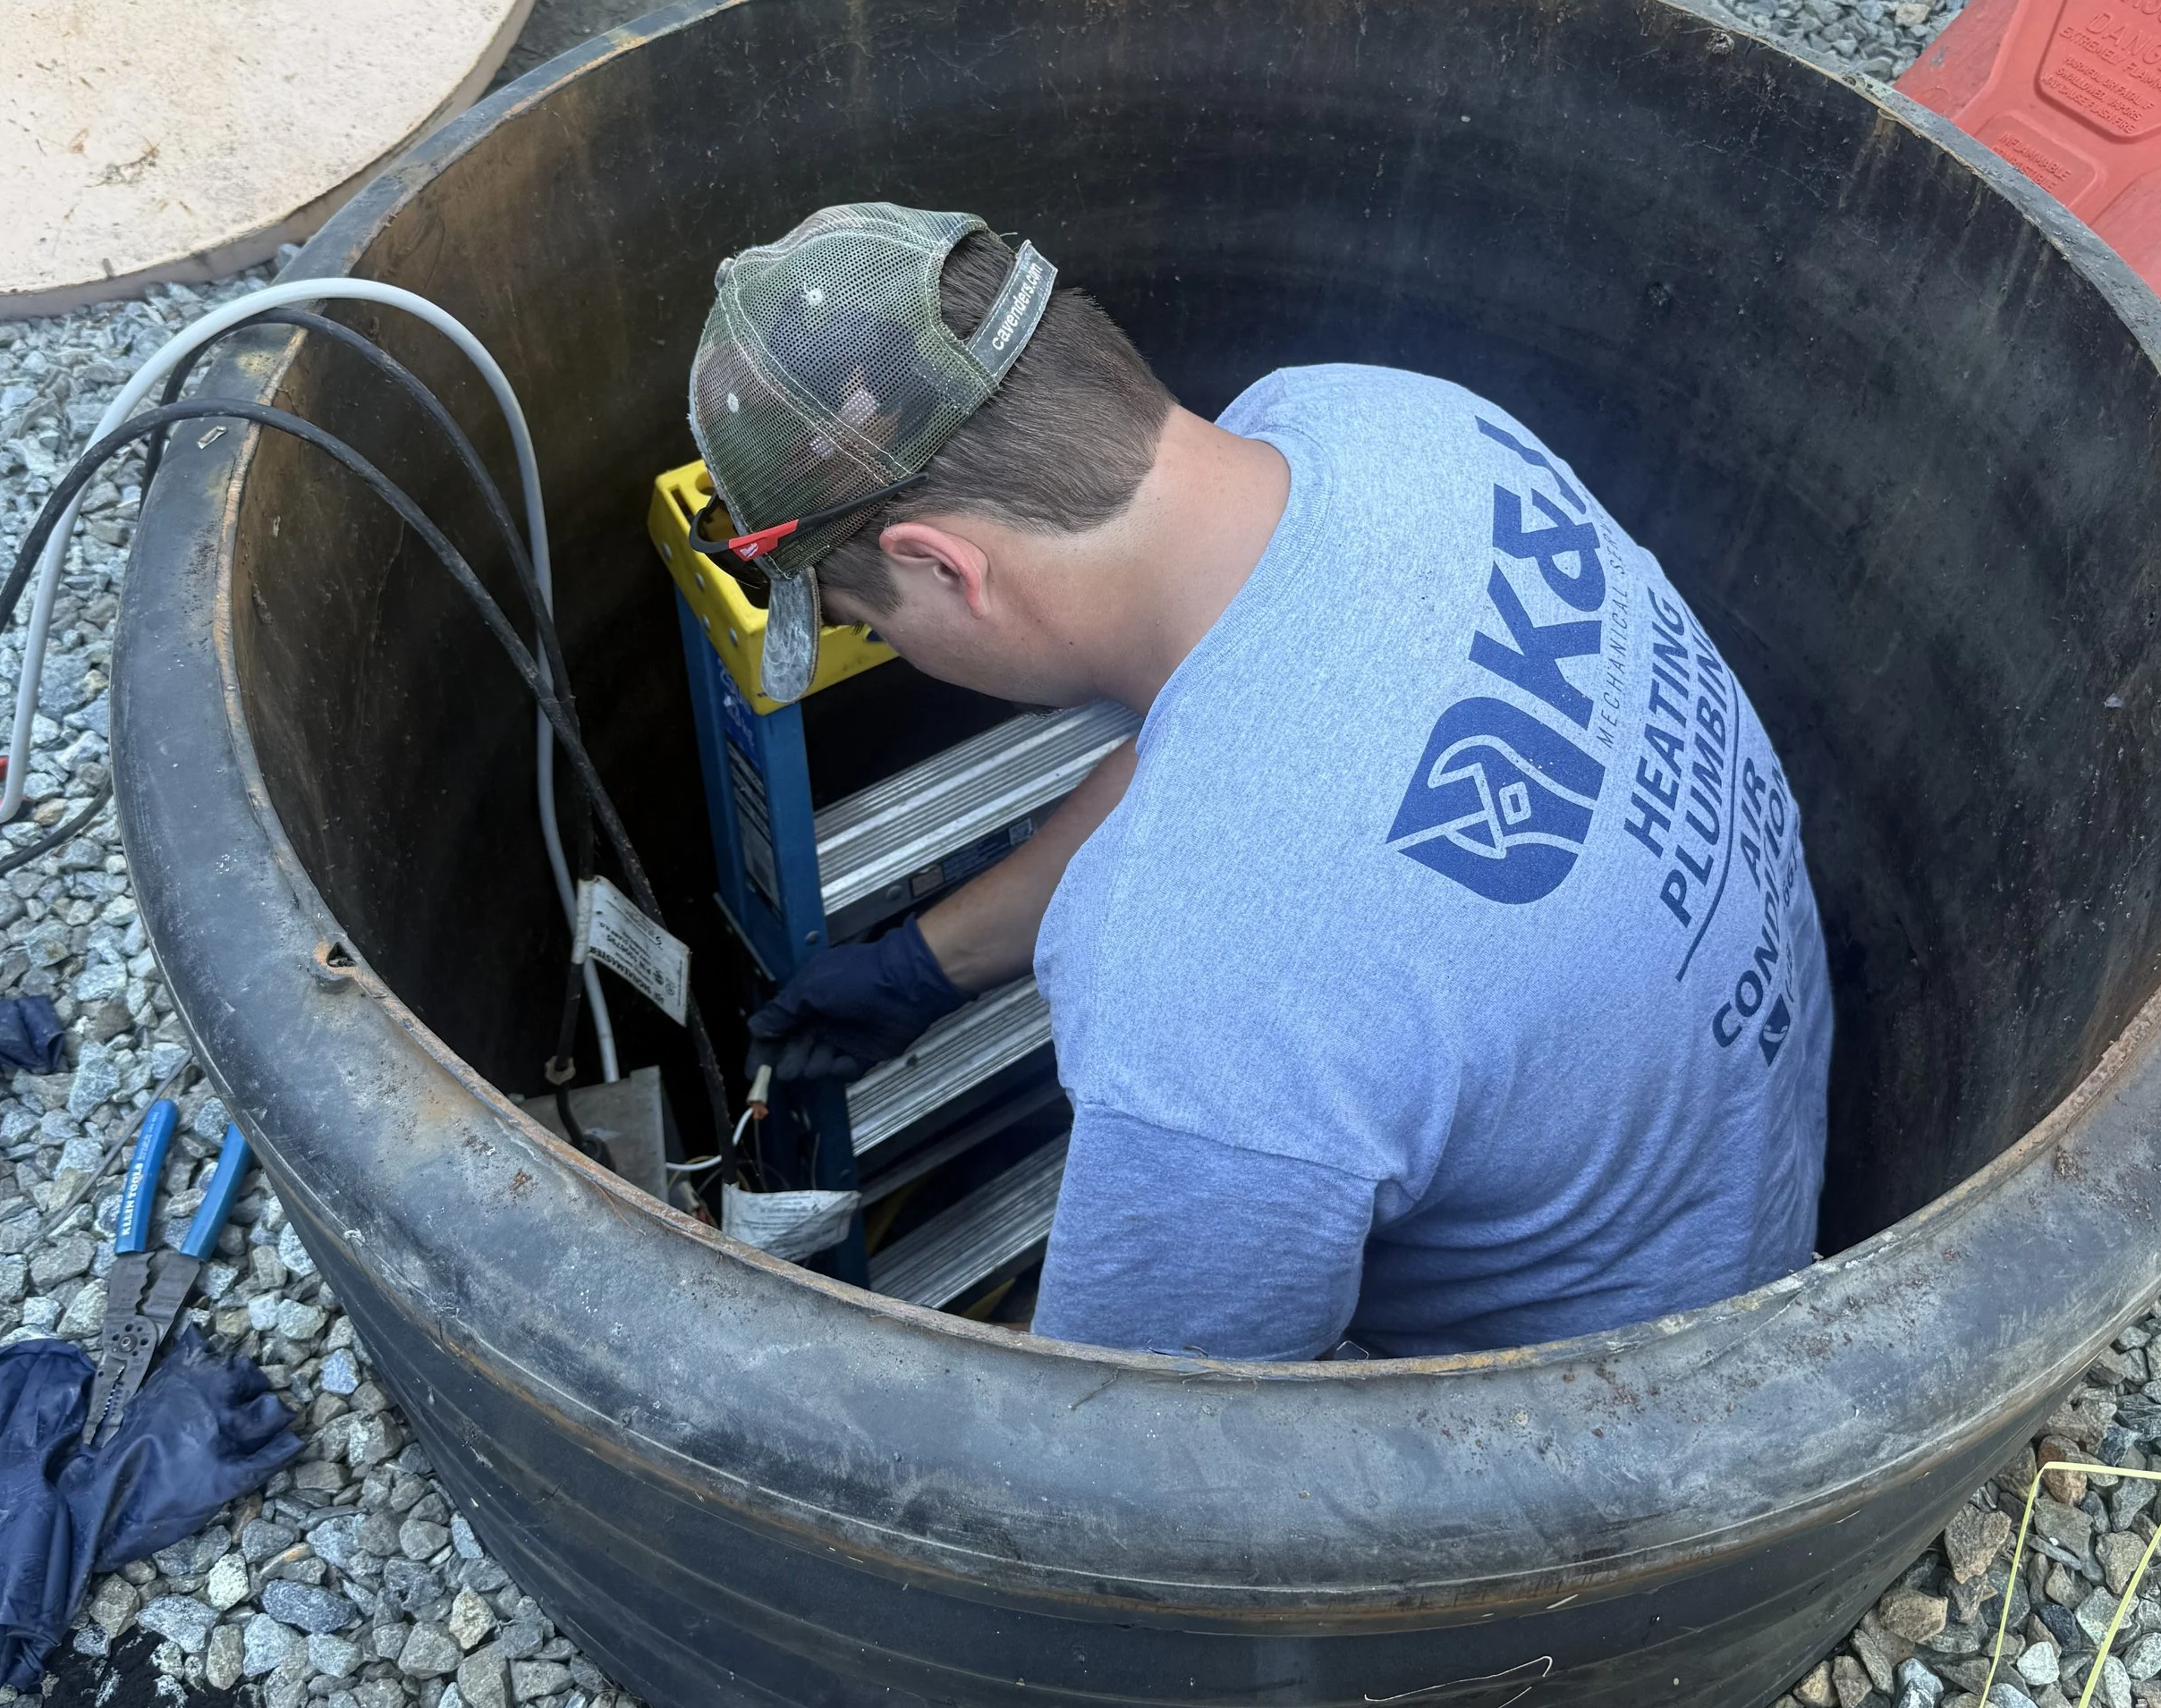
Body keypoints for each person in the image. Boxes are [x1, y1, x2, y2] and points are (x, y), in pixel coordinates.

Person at [688, 202, 1832, 1361]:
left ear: (940, 568)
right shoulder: (1379, 417)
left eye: (869, 626)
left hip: (1598, 1441)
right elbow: (1228, 742)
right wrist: (932, 964)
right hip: (1743, 1199)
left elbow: (1123, 1444)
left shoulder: (1201, 991)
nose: (895, 650)